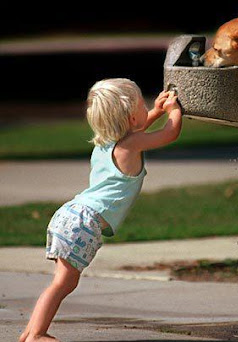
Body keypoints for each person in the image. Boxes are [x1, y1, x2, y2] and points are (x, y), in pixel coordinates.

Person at [20, 78, 182, 342]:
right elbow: (170, 133)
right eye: (144, 105)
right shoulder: (130, 146)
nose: (147, 108)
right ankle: (37, 334)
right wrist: (174, 111)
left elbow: (137, 129)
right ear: (130, 118)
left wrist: (156, 111)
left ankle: (29, 333)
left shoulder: (106, 144)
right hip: (84, 222)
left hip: (71, 215)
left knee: (62, 282)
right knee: (64, 283)